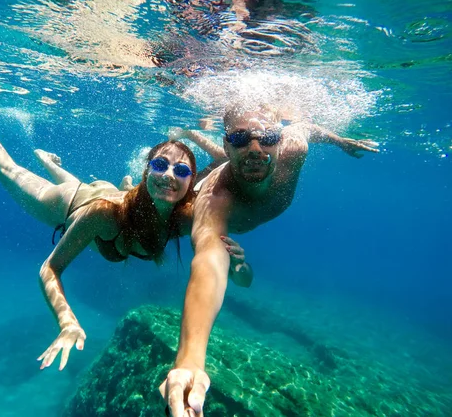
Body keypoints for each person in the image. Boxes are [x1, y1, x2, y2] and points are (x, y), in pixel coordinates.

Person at [0, 106, 250, 371]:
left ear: (190, 183)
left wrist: (239, 269)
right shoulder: (104, 216)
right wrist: (66, 321)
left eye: (181, 170)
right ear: (146, 173)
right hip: (71, 203)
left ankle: (49, 162)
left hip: (115, 192)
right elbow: (50, 268)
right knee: (9, 170)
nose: (169, 174)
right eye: (159, 165)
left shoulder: (186, 217)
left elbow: (238, 276)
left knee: (108, 188)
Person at [160, 105, 380, 417]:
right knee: (158, 219)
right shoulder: (216, 201)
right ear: (227, 143)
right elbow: (208, 259)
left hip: (226, 169)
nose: (255, 149)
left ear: (280, 140)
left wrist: (338, 140)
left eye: (268, 137)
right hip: (195, 199)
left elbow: (306, 126)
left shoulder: (294, 150)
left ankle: (194, 135)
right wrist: (190, 361)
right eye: (239, 139)